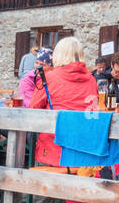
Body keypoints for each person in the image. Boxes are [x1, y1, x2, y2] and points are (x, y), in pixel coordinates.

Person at [30, 37, 99, 166]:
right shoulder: (91, 80)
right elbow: (93, 113)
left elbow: (33, 110)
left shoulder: (49, 78)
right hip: (83, 152)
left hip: (53, 152)